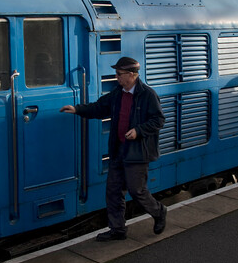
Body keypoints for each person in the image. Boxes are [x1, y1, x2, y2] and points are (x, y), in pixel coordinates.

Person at [60, 57, 167, 241]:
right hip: (118, 150)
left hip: (137, 152)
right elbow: (99, 107)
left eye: (119, 74)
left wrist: (138, 131)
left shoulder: (147, 95)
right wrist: (77, 109)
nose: (116, 77)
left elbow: (159, 120)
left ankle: (159, 212)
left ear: (132, 75)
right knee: (113, 191)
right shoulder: (118, 94)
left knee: (137, 191)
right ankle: (117, 230)